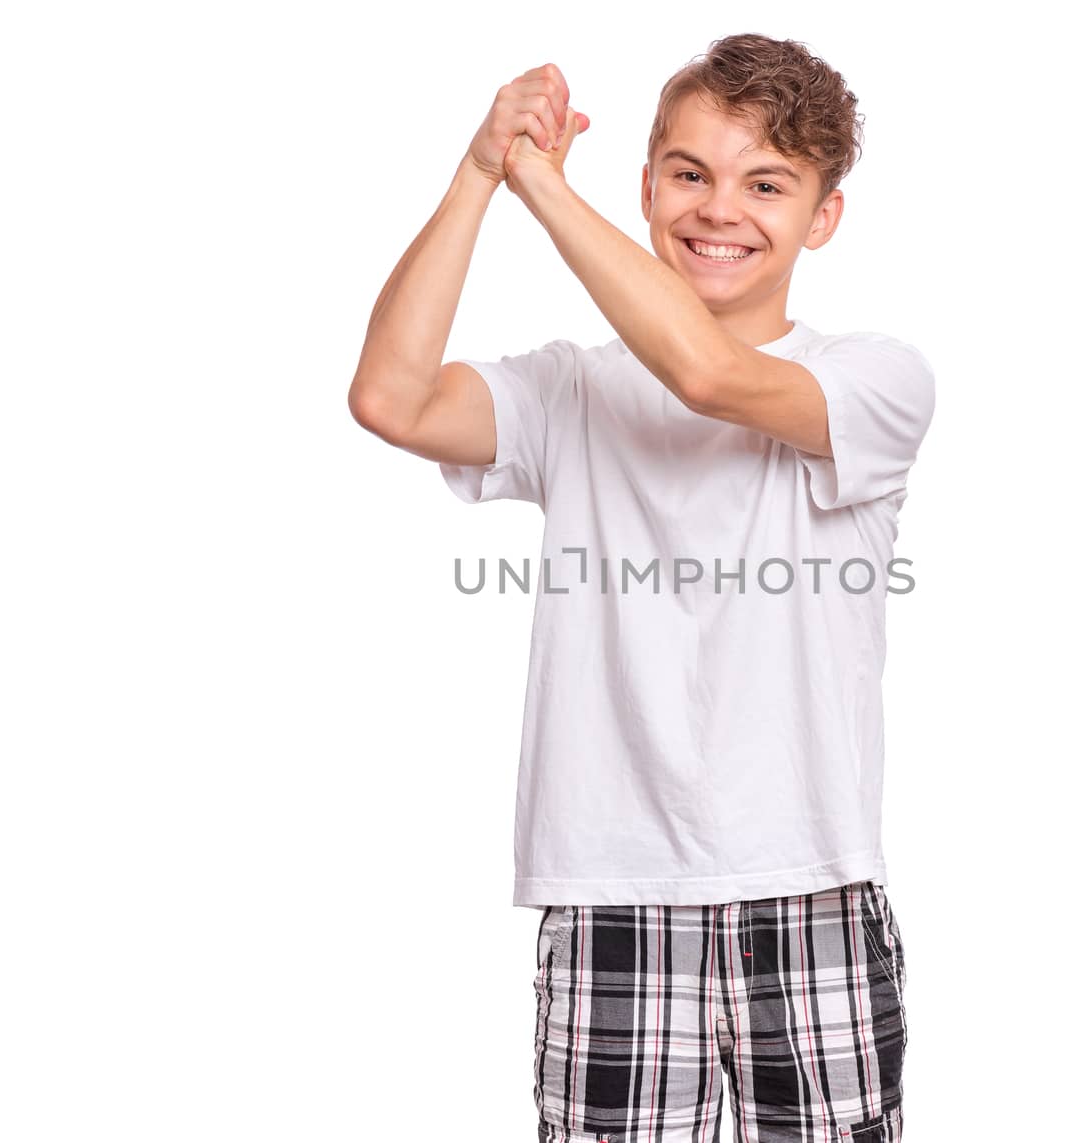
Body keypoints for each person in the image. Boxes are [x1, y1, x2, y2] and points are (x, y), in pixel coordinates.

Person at [349, 33, 932, 1142]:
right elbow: (388, 397)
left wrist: (542, 187)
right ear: (648, 182)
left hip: (806, 885)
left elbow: (707, 374)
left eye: (767, 183)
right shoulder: (570, 391)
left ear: (823, 217)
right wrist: (482, 171)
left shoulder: (876, 378)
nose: (720, 211)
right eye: (688, 173)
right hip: (610, 888)